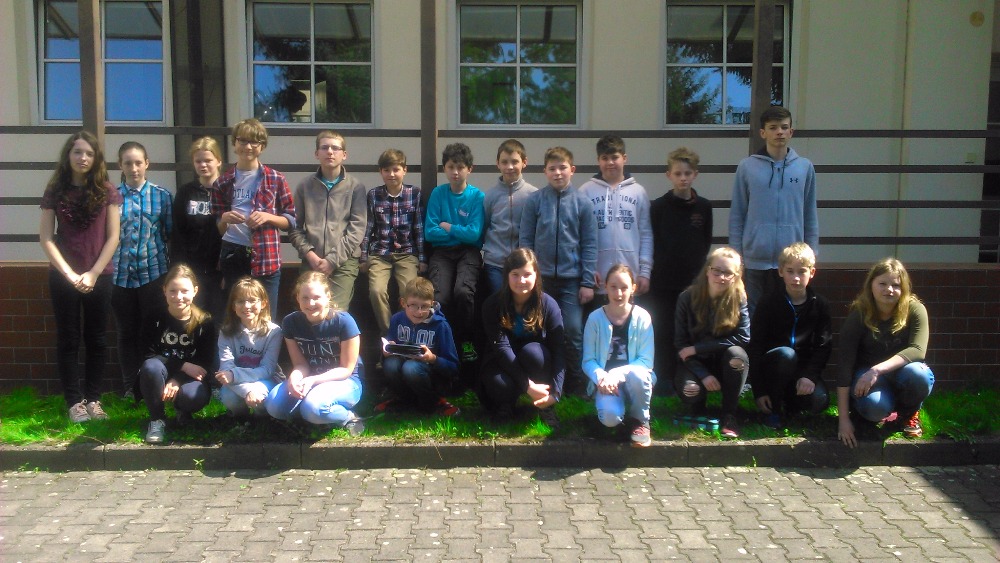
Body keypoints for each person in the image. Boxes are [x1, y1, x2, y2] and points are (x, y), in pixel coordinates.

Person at [39, 131, 122, 422]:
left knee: (97, 338)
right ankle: (74, 402)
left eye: (89, 153)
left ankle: (94, 400)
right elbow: (46, 238)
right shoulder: (55, 190)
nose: (83, 158)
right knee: (68, 339)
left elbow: (113, 237)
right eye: (77, 152)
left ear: (96, 158)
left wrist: (93, 273)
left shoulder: (107, 190)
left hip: (100, 275)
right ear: (68, 155)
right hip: (63, 276)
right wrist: (69, 273)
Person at [519, 146, 597, 395]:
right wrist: (529, 276)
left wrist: (587, 282)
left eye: (562, 168)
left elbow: (590, 244)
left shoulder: (583, 203)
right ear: (545, 171)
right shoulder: (535, 201)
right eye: (552, 168)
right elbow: (525, 241)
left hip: (571, 281)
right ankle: (543, 380)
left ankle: (576, 384)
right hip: (540, 281)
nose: (558, 173)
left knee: (572, 331)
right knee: (537, 331)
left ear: (572, 170)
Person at [728, 105, 819, 316]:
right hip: (754, 259)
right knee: (753, 316)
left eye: (784, 127)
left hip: (791, 262)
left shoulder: (804, 168)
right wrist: (736, 256)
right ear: (763, 133)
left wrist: (812, 253)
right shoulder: (747, 167)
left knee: (786, 315)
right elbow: (737, 215)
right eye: (773, 127)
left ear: (791, 132)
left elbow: (809, 214)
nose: (779, 132)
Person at [837, 259, 934, 448]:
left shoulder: (915, 309)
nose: (889, 290)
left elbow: (918, 350)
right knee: (875, 408)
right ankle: (864, 412)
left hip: (901, 373)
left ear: (904, 288)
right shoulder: (859, 313)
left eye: (896, 285)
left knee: (919, 375)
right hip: (866, 377)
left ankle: (908, 413)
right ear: (871, 285)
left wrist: (877, 370)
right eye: (882, 283)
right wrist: (843, 420)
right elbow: (844, 365)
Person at [211, 118, 295, 320]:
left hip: (266, 255)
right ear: (234, 143)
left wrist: (268, 217)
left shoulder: (275, 179)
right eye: (242, 141)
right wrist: (225, 218)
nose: (247, 147)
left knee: (266, 318)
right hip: (233, 254)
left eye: (254, 142)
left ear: (262, 146)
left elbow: (291, 220)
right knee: (236, 317)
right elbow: (219, 229)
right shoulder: (222, 182)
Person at [265, 271, 366, 435]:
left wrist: (313, 380)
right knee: (273, 406)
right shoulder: (290, 322)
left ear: (328, 296)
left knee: (312, 408)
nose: (310, 303)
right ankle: (311, 417)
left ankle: (348, 417)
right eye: (305, 298)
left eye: (316, 297)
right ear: (298, 298)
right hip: (309, 380)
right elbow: (300, 364)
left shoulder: (344, 321)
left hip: (345, 381)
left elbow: (346, 369)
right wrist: (294, 378)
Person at [112, 141, 173, 400]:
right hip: (120, 276)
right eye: (128, 163)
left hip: (153, 274)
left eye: (138, 162)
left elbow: (169, 235)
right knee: (126, 332)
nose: (134, 168)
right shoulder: (111, 197)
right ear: (120, 165)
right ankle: (130, 388)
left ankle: (152, 385)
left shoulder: (162, 196)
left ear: (147, 163)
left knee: (153, 331)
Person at [648, 147, 713, 393]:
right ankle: (664, 379)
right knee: (664, 330)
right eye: (678, 174)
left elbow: (705, 242)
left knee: (689, 331)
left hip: (693, 283)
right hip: (663, 282)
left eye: (687, 173)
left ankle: (688, 377)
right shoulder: (658, 207)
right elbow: (653, 241)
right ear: (669, 175)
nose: (683, 178)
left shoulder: (704, 207)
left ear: (695, 174)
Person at [748, 243, 832, 429]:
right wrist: (759, 391)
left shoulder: (820, 305)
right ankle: (773, 410)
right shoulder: (768, 302)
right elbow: (756, 345)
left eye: (802, 272)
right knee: (787, 354)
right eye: (790, 271)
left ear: (812, 272)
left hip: (800, 370)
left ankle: (791, 404)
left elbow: (823, 346)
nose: (796, 278)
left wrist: (810, 376)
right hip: (773, 366)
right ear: (780, 272)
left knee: (820, 400)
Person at [479, 248, 565, 423]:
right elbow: (502, 350)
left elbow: (559, 350)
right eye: (515, 275)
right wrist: (527, 385)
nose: (521, 281)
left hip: (533, 360)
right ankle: (506, 405)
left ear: (536, 275)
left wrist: (556, 392)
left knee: (535, 353)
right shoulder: (492, 305)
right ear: (506, 276)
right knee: (499, 384)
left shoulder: (549, 305)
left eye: (527, 274)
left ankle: (545, 406)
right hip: (500, 362)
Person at [674, 247, 750, 439]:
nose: (721, 277)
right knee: (690, 391)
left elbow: (744, 337)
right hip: (694, 364)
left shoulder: (739, 298)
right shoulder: (686, 297)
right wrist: (703, 374)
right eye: (717, 271)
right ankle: (698, 408)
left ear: (735, 276)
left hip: (725, 363)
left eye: (728, 273)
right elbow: (681, 345)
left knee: (737, 356)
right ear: (707, 270)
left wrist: (698, 348)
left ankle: (729, 415)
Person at [139, 264, 218, 444]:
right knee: (150, 367)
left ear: (195, 291)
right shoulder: (154, 317)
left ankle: (182, 410)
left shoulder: (204, 322)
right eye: (173, 291)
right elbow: (147, 354)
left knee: (192, 397)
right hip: (159, 373)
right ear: (164, 290)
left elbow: (204, 363)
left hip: (190, 377)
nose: (178, 297)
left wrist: (178, 379)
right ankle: (157, 419)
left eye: (184, 291)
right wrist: (182, 365)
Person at [289, 130, 367, 311]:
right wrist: (310, 255)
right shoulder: (304, 186)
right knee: (308, 310)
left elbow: (357, 229)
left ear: (344, 154)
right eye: (324, 148)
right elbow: (294, 227)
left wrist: (332, 260)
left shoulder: (355, 187)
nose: (330, 152)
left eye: (335, 148)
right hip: (312, 260)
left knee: (335, 312)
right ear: (317, 153)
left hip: (344, 262)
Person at [582, 264, 656, 447]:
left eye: (624, 287)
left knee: (639, 374)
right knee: (610, 418)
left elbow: (646, 361)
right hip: (606, 383)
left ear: (633, 288)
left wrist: (616, 374)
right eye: (613, 287)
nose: (619, 293)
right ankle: (621, 418)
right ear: (605, 287)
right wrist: (602, 378)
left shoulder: (643, 317)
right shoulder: (595, 318)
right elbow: (588, 360)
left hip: (635, 380)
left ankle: (640, 421)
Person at [424, 143, 485, 363]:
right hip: (442, 253)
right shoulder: (438, 194)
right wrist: (461, 232)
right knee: (440, 296)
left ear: (470, 169)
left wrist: (448, 227)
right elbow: (430, 232)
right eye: (451, 167)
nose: (455, 172)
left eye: (460, 167)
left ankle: (467, 341)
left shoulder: (477, 196)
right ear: (445, 169)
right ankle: (442, 342)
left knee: (463, 293)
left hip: (468, 253)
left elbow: (475, 234)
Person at [579, 135, 653, 304]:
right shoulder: (585, 192)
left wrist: (645, 272)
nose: (610, 162)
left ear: (624, 158)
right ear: (598, 160)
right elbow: (579, 236)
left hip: (629, 281)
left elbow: (646, 235)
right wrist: (587, 271)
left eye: (615, 157)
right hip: (596, 280)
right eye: (605, 158)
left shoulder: (638, 192)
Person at [360, 148, 425, 334]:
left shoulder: (414, 193)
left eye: (396, 169)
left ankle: (405, 331)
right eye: (386, 170)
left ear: (405, 170)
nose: (392, 174)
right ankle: (389, 334)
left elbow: (419, 228)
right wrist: (363, 257)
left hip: (407, 253)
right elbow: (368, 227)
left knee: (409, 292)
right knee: (376, 291)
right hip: (380, 254)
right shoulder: (374, 195)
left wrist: (422, 259)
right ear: (381, 172)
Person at [375, 277, 460, 416]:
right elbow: (388, 350)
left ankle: (432, 401)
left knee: (411, 367)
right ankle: (404, 399)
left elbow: (453, 367)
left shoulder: (440, 325)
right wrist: (387, 352)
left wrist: (432, 358)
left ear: (432, 304)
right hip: (403, 370)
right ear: (403, 303)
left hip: (432, 376)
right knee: (391, 364)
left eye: (424, 306)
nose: (419, 311)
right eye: (413, 305)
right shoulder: (397, 319)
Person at [215, 277, 284, 418]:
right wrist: (247, 389)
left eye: (252, 300)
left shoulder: (274, 332)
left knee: (258, 395)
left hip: (266, 380)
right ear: (233, 306)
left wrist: (235, 376)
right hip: (237, 381)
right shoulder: (226, 332)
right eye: (240, 301)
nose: (246, 306)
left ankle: (263, 419)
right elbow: (226, 368)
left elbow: (267, 369)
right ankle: (241, 419)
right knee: (229, 396)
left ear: (263, 303)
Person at [171, 136, 224, 318]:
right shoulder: (185, 192)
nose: (203, 165)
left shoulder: (228, 191)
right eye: (198, 161)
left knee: (219, 321)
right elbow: (178, 233)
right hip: (192, 270)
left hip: (220, 270)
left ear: (218, 161)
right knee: (193, 319)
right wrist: (179, 269)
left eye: (208, 160)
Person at [482, 139, 537, 295]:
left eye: (515, 162)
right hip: (495, 264)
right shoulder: (490, 196)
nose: (509, 167)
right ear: (497, 164)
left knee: (521, 302)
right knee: (501, 301)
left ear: (524, 162)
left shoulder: (533, 195)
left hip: (523, 265)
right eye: (504, 162)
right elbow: (485, 226)